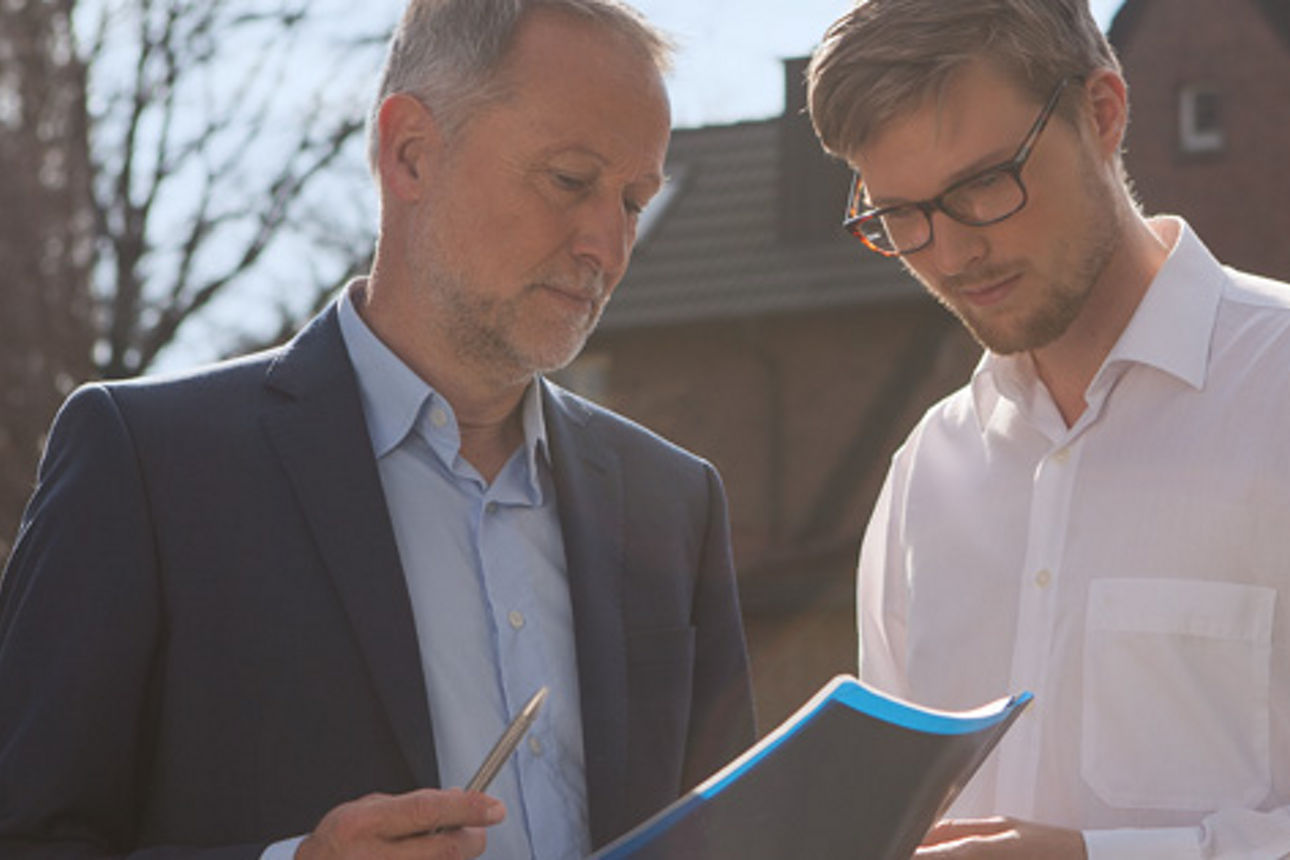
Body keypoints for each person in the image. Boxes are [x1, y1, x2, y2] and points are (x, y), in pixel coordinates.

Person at [0, 1, 756, 858]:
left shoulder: (676, 503)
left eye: (633, 200)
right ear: (410, 152)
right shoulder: (146, 465)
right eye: (571, 180)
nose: (608, 246)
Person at [807, 0, 1290, 857]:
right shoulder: (926, 474)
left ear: (1102, 113)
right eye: (901, 218)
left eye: (983, 185)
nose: (952, 256)